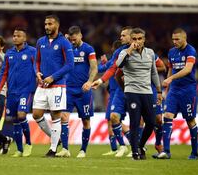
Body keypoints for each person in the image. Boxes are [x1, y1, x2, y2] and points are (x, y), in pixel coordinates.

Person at [116, 28, 162, 160]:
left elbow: (154, 72)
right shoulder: (124, 52)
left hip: (147, 92)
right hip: (132, 91)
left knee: (151, 122)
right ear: (130, 40)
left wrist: (159, 91)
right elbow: (119, 64)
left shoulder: (150, 53)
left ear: (144, 40)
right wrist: (130, 50)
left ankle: (140, 145)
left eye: (139, 39)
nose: (137, 41)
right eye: (134, 39)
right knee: (135, 122)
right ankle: (135, 152)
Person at [33, 14, 74, 157]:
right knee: (36, 114)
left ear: (57, 25)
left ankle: (53, 149)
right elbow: (36, 61)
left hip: (57, 86)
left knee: (55, 116)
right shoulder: (40, 41)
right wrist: (37, 72)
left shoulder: (64, 42)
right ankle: (56, 139)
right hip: (42, 85)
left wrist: (53, 77)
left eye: (50, 24)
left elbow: (70, 64)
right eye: (45, 24)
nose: (47, 27)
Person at [157, 28, 198, 160]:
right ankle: (166, 151)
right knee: (167, 116)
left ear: (184, 38)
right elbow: (171, 69)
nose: (174, 42)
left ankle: (194, 153)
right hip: (174, 90)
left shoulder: (191, 51)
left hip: (188, 90)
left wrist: (171, 78)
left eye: (177, 39)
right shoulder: (171, 52)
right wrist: (166, 89)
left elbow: (187, 69)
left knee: (190, 120)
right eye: (173, 39)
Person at [56, 26, 97, 158]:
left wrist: (90, 82)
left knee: (85, 120)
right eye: (71, 39)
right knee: (63, 117)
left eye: (75, 39)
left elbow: (94, 67)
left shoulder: (88, 49)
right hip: (68, 89)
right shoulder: (66, 47)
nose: (73, 42)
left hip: (83, 91)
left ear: (80, 36)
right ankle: (65, 149)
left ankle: (83, 150)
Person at [92, 27, 133, 157]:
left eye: (123, 35)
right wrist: (100, 79)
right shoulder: (118, 55)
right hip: (117, 93)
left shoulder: (145, 52)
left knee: (137, 120)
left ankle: (136, 146)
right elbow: (110, 68)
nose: (121, 37)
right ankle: (118, 147)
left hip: (133, 90)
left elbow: (105, 67)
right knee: (112, 119)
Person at [0, 28, 36, 157]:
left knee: (22, 115)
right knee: (15, 120)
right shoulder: (9, 54)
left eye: (18, 36)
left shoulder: (32, 52)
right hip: (12, 92)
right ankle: (19, 149)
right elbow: (4, 73)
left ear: (24, 38)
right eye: (13, 36)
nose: (15, 38)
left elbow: (37, 68)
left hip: (26, 90)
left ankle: (28, 143)